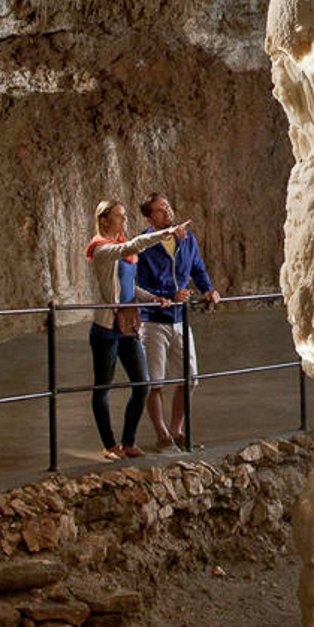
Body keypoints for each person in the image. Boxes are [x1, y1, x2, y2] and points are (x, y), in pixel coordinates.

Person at [85, 199, 180, 460]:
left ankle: (128, 441)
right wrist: (163, 233)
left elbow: (130, 288)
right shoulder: (102, 248)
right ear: (104, 220)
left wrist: (153, 299)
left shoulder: (119, 248)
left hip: (127, 324)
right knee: (103, 387)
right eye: (119, 216)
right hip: (106, 326)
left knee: (142, 384)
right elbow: (135, 244)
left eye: (125, 216)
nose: (124, 221)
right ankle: (109, 444)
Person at [135, 193, 221, 451]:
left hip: (180, 318)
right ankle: (162, 434)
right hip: (153, 321)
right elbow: (137, 284)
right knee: (155, 382)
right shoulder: (142, 244)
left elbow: (197, 268)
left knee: (190, 377)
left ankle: (176, 430)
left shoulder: (186, 239)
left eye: (168, 207)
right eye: (160, 211)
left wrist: (208, 289)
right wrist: (166, 296)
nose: (168, 213)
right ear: (149, 218)